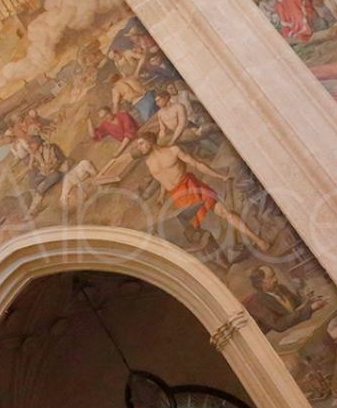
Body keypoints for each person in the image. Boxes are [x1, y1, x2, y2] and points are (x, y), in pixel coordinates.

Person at [130, 135, 271, 251]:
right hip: (178, 196)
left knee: (224, 212)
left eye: (141, 143)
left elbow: (197, 164)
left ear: (150, 140)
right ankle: (220, 257)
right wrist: (161, 196)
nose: (139, 147)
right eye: (138, 145)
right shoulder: (149, 162)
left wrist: (220, 176)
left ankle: (258, 240)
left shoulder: (173, 150)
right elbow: (161, 179)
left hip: (191, 186)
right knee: (193, 231)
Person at [242, 265, 326, 334]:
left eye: (274, 275)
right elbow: (279, 325)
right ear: (260, 283)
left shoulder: (281, 288)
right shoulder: (256, 304)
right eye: (271, 277)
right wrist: (310, 308)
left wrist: (311, 300)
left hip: (298, 329)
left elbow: (298, 305)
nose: (276, 279)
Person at [26, 135, 69, 214]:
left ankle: (33, 208)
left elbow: (62, 159)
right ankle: (36, 202)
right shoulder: (35, 153)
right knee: (33, 183)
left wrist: (53, 167)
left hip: (56, 171)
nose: (30, 146)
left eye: (31, 144)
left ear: (37, 143)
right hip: (45, 173)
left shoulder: (52, 147)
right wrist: (32, 157)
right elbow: (31, 167)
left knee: (44, 184)